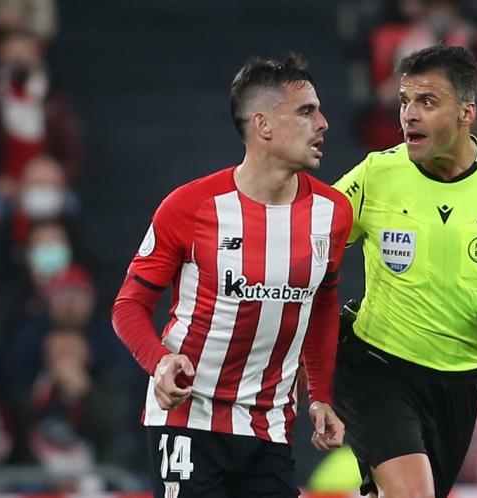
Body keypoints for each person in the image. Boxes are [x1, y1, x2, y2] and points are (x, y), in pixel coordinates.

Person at [112, 55, 352, 498]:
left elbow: (320, 308)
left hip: (269, 425)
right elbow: (128, 306)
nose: (323, 123)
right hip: (187, 419)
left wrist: (319, 395)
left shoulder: (332, 213)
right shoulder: (189, 207)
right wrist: (160, 362)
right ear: (263, 125)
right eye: (305, 111)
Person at [333, 44, 477, 498]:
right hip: (375, 364)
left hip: (460, 382)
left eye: (427, 102)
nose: (408, 116)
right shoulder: (376, 174)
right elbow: (309, 242)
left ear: (466, 112)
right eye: (404, 101)